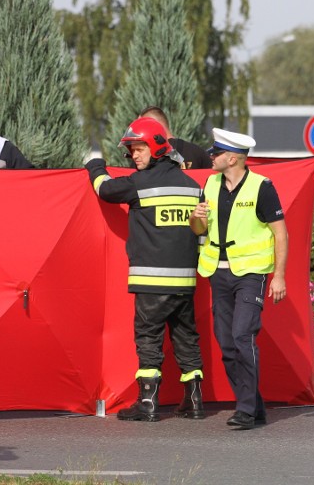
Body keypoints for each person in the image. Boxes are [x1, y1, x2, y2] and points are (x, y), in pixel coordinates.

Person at [85, 117, 205, 422]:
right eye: (132, 151)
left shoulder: (140, 183)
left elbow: (106, 190)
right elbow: (201, 230)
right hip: (186, 281)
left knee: (149, 338)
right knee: (186, 337)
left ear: (156, 147)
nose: (134, 156)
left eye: (139, 149)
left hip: (151, 282)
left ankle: (148, 402)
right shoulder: (193, 187)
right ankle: (194, 402)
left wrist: (95, 166)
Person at [189, 128, 288, 430]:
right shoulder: (210, 183)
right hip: (217, 273)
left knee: (243, 337)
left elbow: (280, 233)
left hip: (251, 274)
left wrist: (278, 276)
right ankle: (254, 404)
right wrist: (197, 217)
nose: (211, 156)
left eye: (216, 153)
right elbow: (197, 230)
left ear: (233, 158)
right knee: (227, 343)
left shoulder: (262, 187)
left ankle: (244, 409)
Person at [139, 106, 212, 170]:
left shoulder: (143, 156)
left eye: (142, 128)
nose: (139, 133)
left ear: (154, 127)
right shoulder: (198, 153)